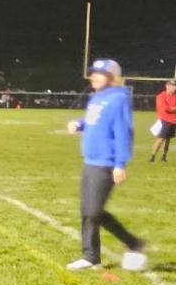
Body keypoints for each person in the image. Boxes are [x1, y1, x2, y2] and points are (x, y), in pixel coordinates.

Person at [66, 59, 147, 271]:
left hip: (106, 163)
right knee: (90, 211)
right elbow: (94, 121)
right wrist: (79, 124)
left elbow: (123, 131)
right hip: (90, 161)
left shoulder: (118, 99)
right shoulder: (97, 98)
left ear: (112, 77)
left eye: (99, 74)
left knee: (92, 211)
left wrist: (120, 164)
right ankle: (117, 248)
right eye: (93, 73)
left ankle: (95, 255)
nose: (93, 76)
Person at [149, 80, 176, 162]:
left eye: (175, 86)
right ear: (167, 86)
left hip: (174, 121)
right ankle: (152, 157)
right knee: (160, 139)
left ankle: (164, 157)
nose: (174, 88)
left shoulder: (175, 96)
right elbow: (166, 109)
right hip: (165, 121)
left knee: (168, 139)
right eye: (172, 86)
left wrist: (173, 109)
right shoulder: (161, 96)